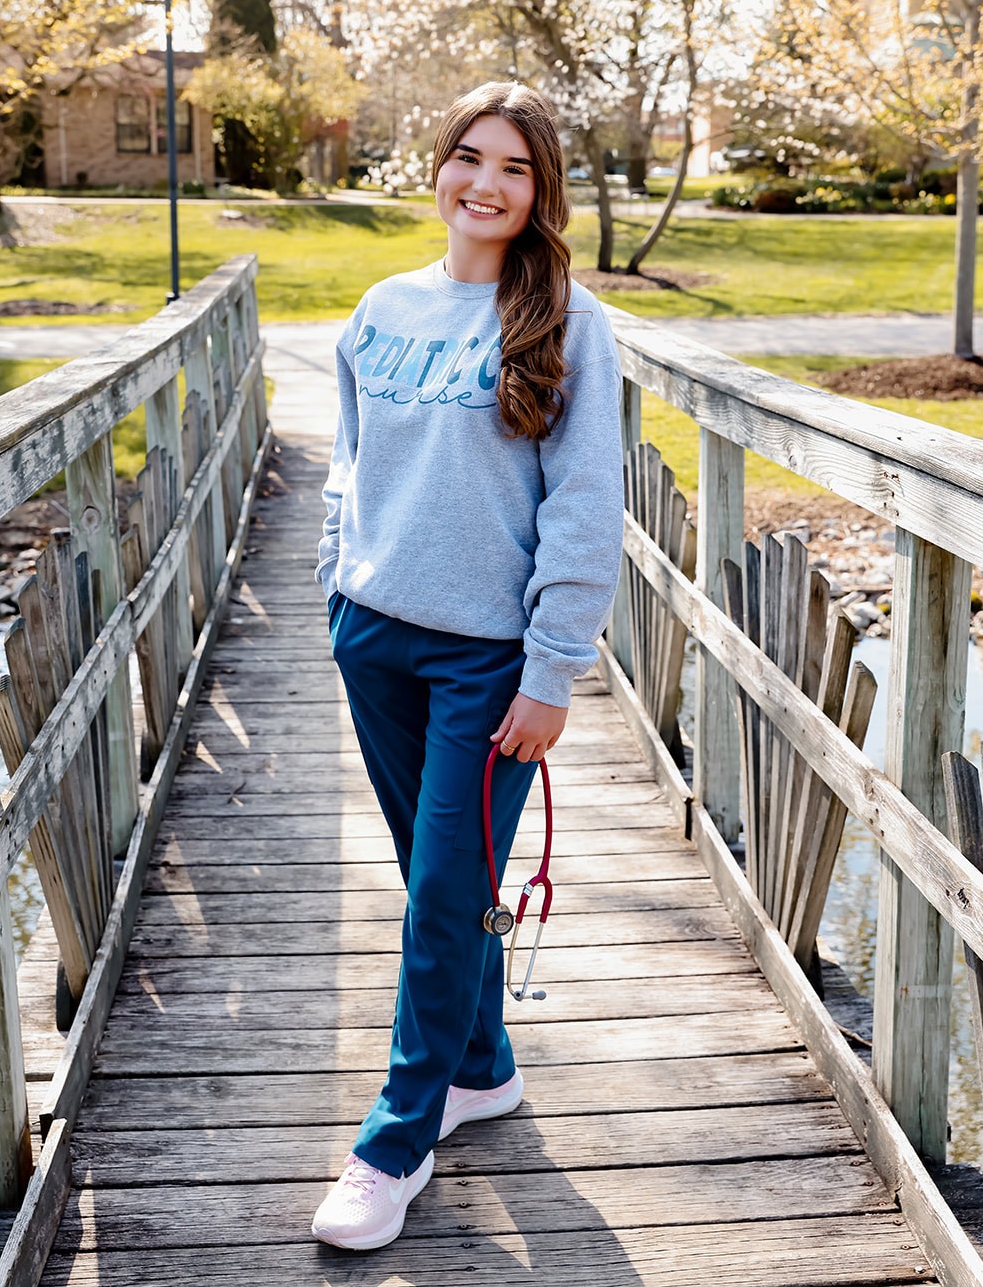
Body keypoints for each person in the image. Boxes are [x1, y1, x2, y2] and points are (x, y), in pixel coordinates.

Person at [310, 80, 625, 1251]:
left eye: (513, 168)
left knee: (446, 890)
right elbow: (345, 466)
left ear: (539, 191)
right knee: (435, 878)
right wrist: (334, 585)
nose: (483, 184)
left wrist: (550, 672)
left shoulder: (566, 324)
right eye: (468, 157)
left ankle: (394, 1143)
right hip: (372, 637)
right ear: (438, 167)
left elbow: (587, 510)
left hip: (486, 663)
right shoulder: (381, 307)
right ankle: (482, 1063)